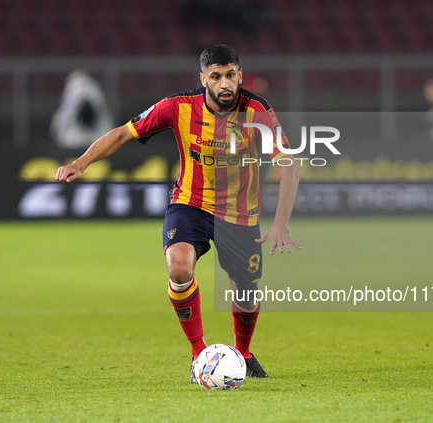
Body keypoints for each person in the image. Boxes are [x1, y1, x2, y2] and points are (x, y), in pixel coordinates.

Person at [55, 45, 300, 381]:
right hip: (191, 203)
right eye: (216, 76)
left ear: (240, 75)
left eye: (231, 75)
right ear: (204, 79)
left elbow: (288, 165)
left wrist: (281, 223)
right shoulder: (177, 107)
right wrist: (80, 162)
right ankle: (199, 354)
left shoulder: (257, 110)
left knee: (245, 290)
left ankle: (243, 352)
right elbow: (123, 133)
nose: (225, 83)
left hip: (238, 212)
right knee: (180, 268)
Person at [50, 69, 114, 149]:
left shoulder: (71, 93)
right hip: (96, 137)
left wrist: (58, 134)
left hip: (73, 140)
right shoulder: (96, 91)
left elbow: (63, 117)